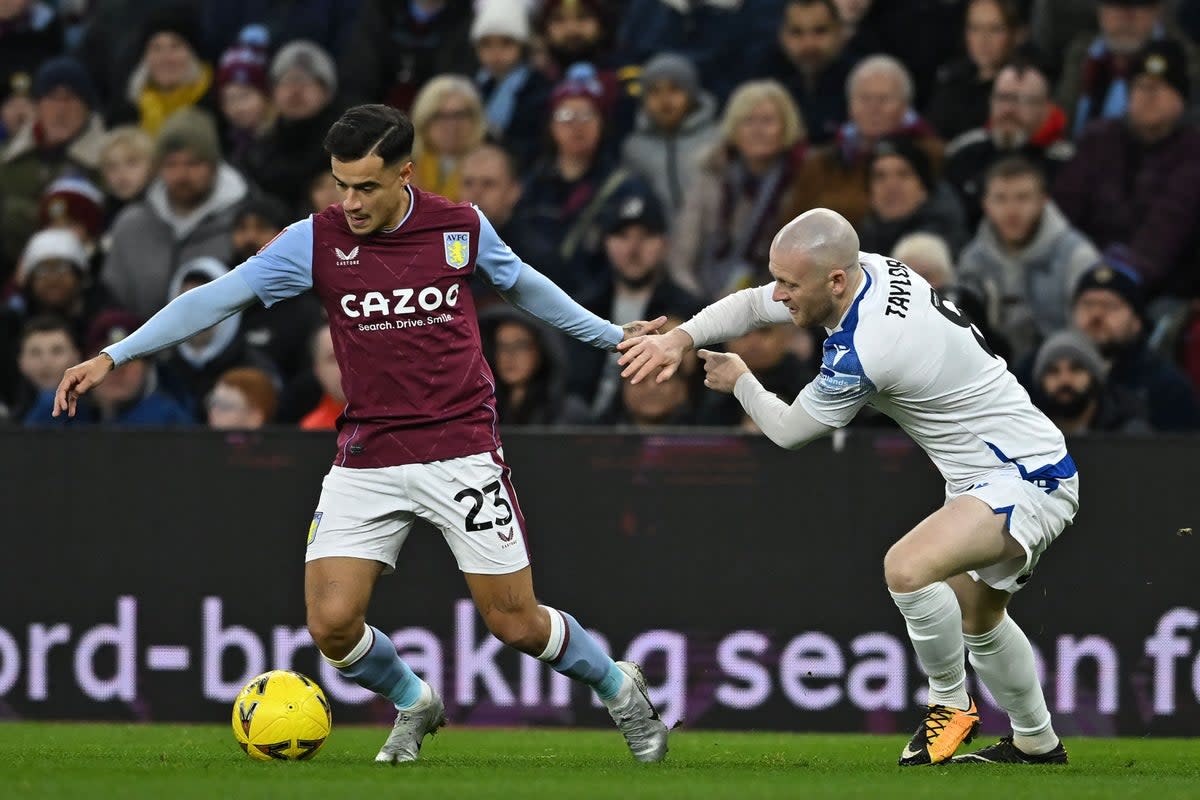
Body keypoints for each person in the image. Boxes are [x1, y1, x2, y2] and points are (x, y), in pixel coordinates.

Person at [54, 103, 669, 764]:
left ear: (406, 173)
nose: (350, 201)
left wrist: (613, 338)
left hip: (460, 449)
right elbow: (217, 297)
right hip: (366, 455)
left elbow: (526, 288)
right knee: (332, 625)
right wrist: (115, 355)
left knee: (514, 622)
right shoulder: (314, 240)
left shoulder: (459, 227)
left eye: (366, 186)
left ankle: (618, 685)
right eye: (340, 184)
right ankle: (414, 699)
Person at [619, 207, 1079, 766]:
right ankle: (1037, 742)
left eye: (791, 284)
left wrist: (741, 382)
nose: (781, 295)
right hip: (1000, 468)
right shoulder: (868, 269)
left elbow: (790, 433)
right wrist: (681, 340)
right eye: (778, 279)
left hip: (1025, 475)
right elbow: (750, 304)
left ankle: (951, 707)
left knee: (907, 569)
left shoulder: (869, 348)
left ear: (834, 280)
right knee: (980, 618)